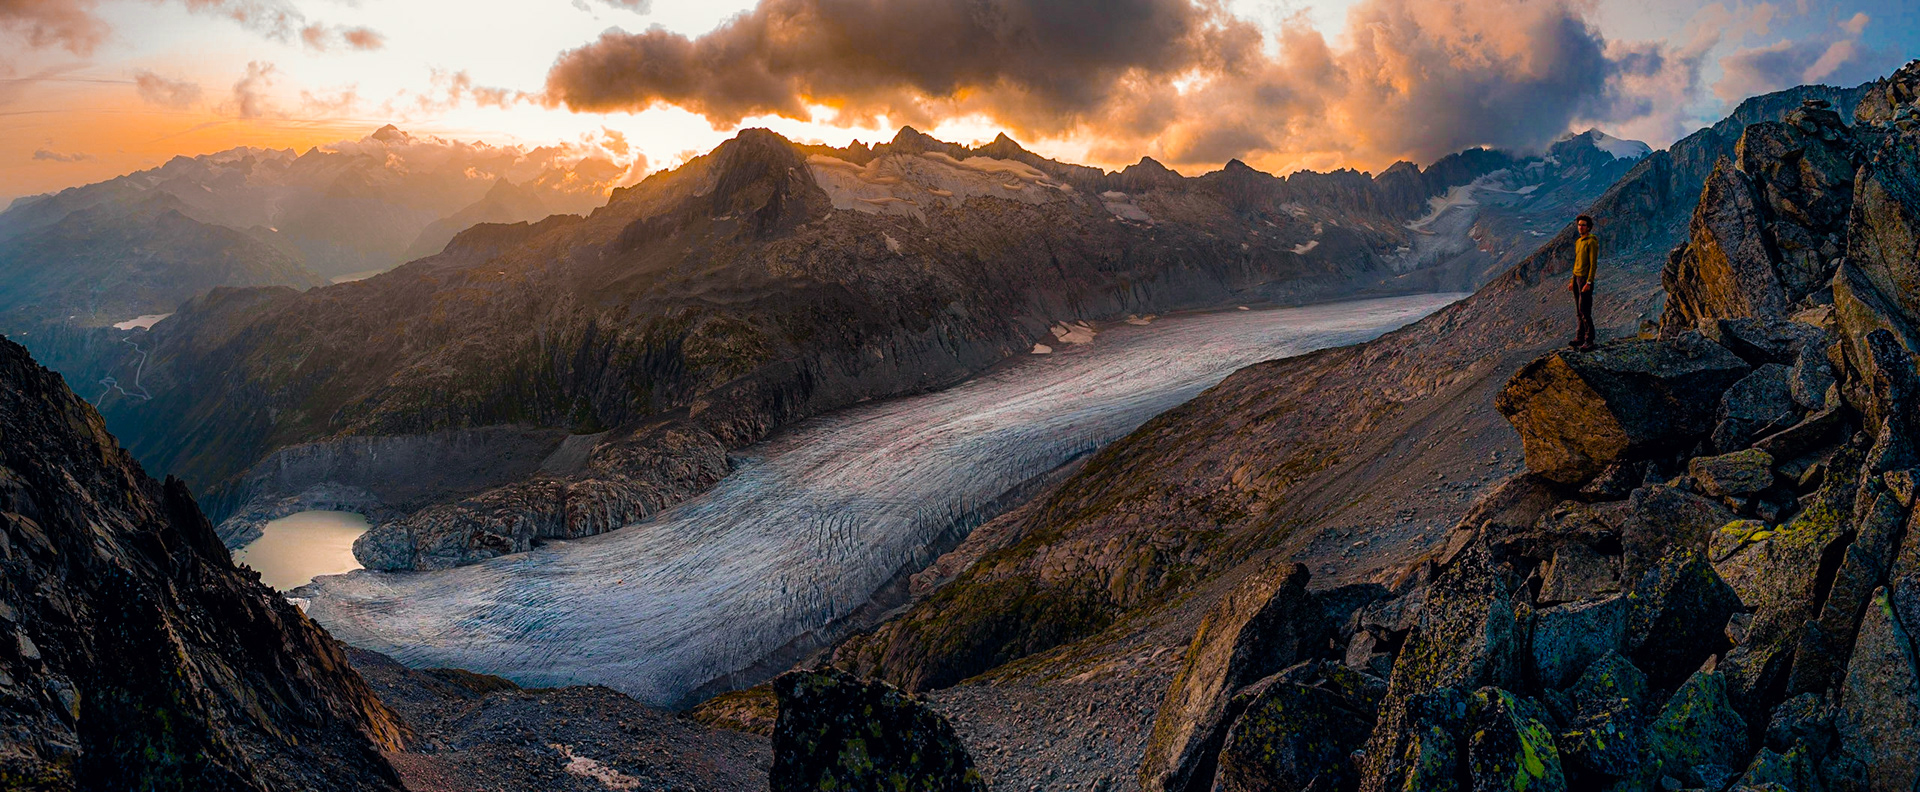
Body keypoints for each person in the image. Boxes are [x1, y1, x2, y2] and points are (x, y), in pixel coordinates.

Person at [1568, 214, 1597, 351]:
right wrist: (1572, 280)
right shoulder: (1578, 241)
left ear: (1589, 227)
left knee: (1585, 311)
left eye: (1583, 225)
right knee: (1579, 311)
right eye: (1579, 225)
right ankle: (1579, 337)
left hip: (1585, 279)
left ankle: (1589, 340)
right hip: (1576, 278)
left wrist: (1589, 282)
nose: (1581, 227)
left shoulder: (1591, 242)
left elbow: (1593, 264)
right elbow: (1577, 262)